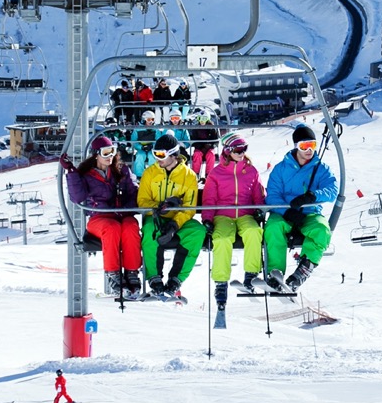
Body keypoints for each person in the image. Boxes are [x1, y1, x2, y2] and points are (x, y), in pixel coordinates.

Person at [62, 135, 143, 299]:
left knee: (130, 226)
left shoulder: (122, 170)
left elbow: (134, 193)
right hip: (99, 218)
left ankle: (132, 272)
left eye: (112, 151)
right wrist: (71, 172)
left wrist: (126, 208)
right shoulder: (86, 175)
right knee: (111, 228)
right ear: (95, 154)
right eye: (105, 153)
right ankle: (114, 274)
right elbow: (77, 197)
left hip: (122, 215)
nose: (110, 157)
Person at [263, 124, 339, 292]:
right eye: (304, 146)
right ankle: (275, 273)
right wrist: (287, 211)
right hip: (284, 213)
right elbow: (273, 196)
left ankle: (303, 269)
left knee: (322, 230)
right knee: (273, 227)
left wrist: (313, 196)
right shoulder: (281, 169)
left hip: (309, 213)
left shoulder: (321, 169)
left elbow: (332, 190)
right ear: (296, 146)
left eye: (312, 145)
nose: (308, 150)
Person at [201, 132, 266, 310]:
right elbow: (209, 199)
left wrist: (260, 210)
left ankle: (251, 274)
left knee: (254, 232)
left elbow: (258, 195)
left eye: (244, 149)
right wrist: (207, 219)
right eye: (238, 149)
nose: (241, 153)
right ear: (228, 151)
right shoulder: (216, 173)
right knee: (221, 239)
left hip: (245, 213)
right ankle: (221, 283)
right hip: (223, 215)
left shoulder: (251, 171)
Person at [136, 133, 206, 297]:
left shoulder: (188, 176)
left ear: (173, 154)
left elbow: (189, 207)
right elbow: (143, 200)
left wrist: (174, 225)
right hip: (156, 217)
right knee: (150, 231)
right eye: (155, 154)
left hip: (178, 220)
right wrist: (159, 208)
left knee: (197, 231)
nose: (157, 158)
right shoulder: (150, 173)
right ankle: (154, 276)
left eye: (161, 154)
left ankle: (176, 278)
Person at [130, 110, 162, 178]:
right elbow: (133, 141)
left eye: (152, 119)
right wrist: (140, 147)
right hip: (141, 148)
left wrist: (152, 146)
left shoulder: (155, 129)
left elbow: (158, 140)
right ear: (144, 120)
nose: (151, 121)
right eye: (149, 119)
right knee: (140, 155)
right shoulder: (138, 129)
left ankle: (152, 174)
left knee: (152, 156)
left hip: (152, 148)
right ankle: (139, 175)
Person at [190, 109, 220, 179]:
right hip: (199, 148)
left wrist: (211, 145)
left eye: (204, 118)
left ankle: (208, 175)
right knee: (197, 155)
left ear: (208, 119)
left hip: (209, 148)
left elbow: (216, 141)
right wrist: (200, 147)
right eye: (200, 118)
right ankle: (195, 174)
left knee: (211, 155)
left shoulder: (212, 128)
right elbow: (193, 140)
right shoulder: (196, 128)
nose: (202, 121)